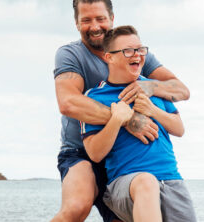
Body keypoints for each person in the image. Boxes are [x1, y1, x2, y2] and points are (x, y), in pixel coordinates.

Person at [52, 0, 190, 221]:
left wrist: (153, 85)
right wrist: (128, 120)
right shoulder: (71, 55)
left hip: (123, 157)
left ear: (112, 19)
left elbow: (182, 90)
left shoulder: (135, 54)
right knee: (77, 205)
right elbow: (68, 103)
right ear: (77, 24)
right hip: (82, 151)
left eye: (100, 18)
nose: (95, 26)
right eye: (86, 20)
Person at [81, 25, 197, 222]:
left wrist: (153, 110)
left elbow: (179, 129)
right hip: (127, 184)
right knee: (146, 182)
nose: (137, 55)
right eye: (128, 51)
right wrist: (117, 120)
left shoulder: (153, 88)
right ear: (109, 57)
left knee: (151, 182)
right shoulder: (94, 97)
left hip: (171, 180)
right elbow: (95, 153)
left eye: (140, 49)